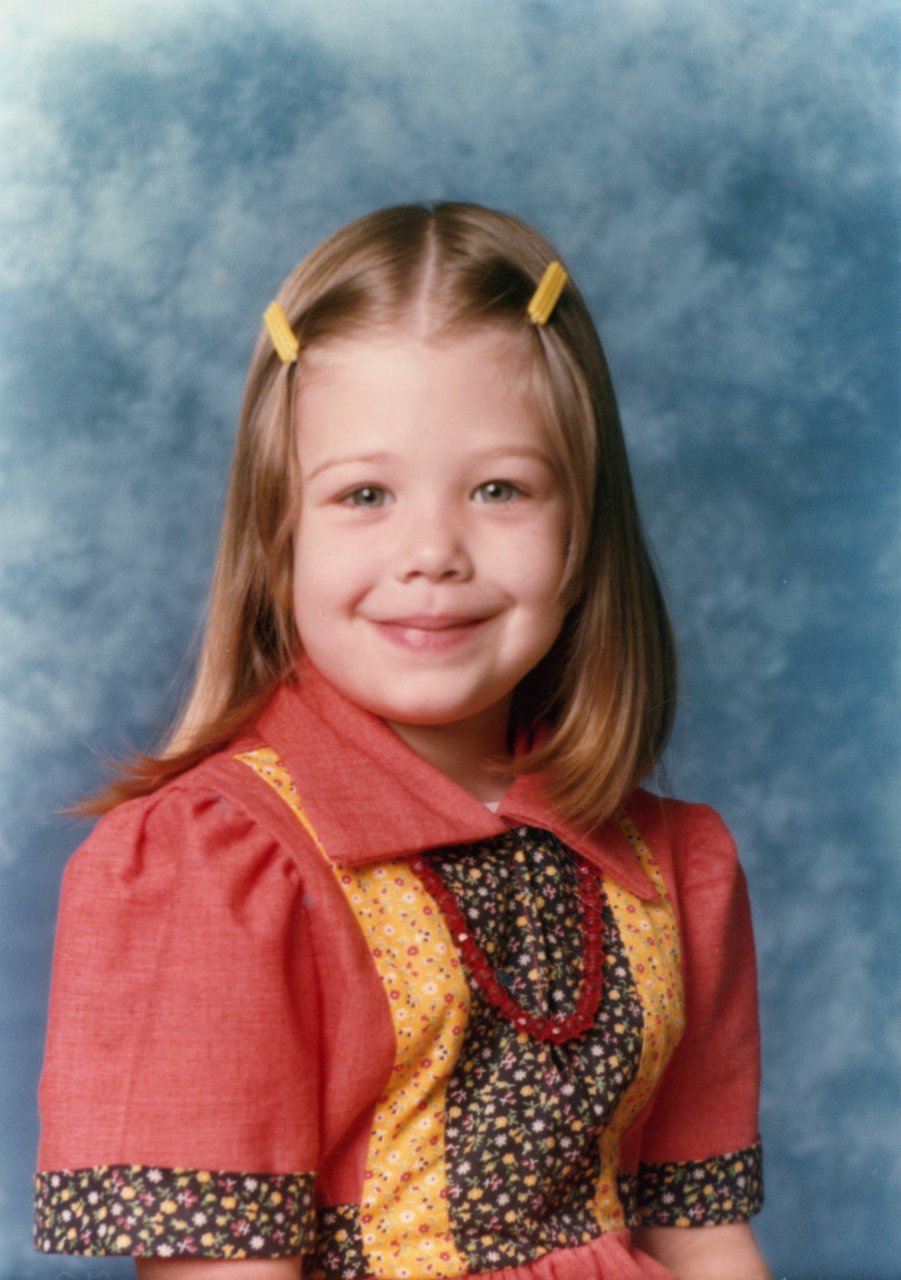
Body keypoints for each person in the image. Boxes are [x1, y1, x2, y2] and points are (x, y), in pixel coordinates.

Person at [35, 202, 770, 1280]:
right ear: (277, 529)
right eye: (365, 493)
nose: (433, 550)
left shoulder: (676, 866)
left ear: (581, 529)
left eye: (499, 489)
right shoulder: (217, 868)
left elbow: (702, 1237)